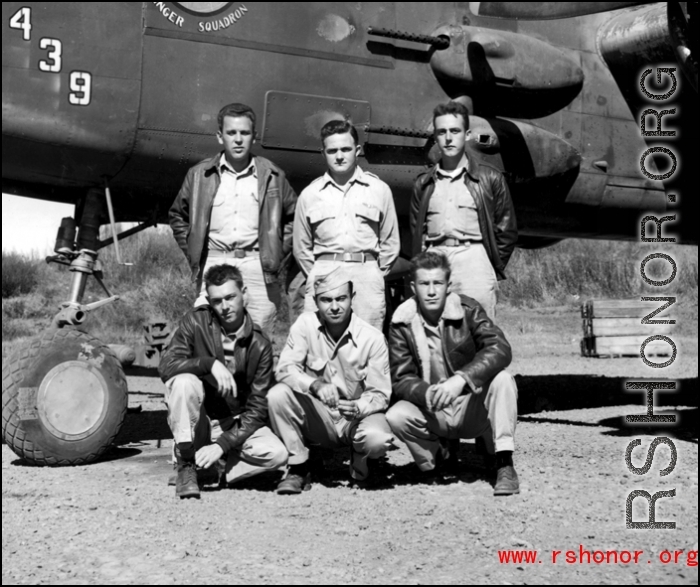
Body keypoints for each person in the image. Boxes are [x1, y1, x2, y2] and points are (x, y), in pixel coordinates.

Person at [385, 251, 520, 495]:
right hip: (434, 410)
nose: (432, 291)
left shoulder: (468, 309)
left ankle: (503, 462)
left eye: (438, 283)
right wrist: (427, 394)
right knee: (396, 415)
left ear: (448, 285)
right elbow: (401, 378)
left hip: (470, 404)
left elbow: (500, 348)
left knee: (503, 380)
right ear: (413, 287)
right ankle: (435, 459)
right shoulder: (401, 323)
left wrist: (461, 380)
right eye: (425, 284)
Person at [159, 264, 287, 499]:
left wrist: (222, 445)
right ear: (209, 300)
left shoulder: (260, 344)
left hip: (235, 423)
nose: (225, 307)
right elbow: (167, 366)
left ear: (244, 293)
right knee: (184, 382)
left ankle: (216, 468)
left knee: (276, 454)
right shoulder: (195, 322)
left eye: (230, 297)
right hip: (202, 420)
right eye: (217, 301)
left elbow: (257, 409)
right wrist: (207, 364)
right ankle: (187, 463)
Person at [169, 102, 297, 333]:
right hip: (214, 263)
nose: (238, 139)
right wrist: (194, 251)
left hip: (259, 269)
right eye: (231, 133)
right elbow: (178, 215)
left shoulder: (273, 175)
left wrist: (277, 252)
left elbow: (294, 218)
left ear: (254, 137)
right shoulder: (199, 175)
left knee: (257, 342)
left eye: (244, 133)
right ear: (220, 137)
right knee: (209, 337)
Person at [267, 267, 396, 494]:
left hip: (355, 420)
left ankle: (362, 462)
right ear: (316, 301)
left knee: (377, 438)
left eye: (341, 299)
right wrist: (314, 385)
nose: (334, 307)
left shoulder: (373, 338)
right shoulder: (304, 325)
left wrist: (358, 407)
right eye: (326, 300)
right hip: (320, 417)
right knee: (277, 395)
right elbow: (285, 369)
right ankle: (299, 466)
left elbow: (381, 394)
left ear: (352, 298)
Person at [410, 101, 517, 318]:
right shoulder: (423, 184)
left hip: (475, 260)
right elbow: (416, 231)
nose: (448, 138)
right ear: (436, 137)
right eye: (442, 132)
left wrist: (488, 266)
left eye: (455, 131)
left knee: (479, 334)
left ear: (467, 134)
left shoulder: (490, 178)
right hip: (434, 259)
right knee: (434, 334)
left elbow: (506, 231)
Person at [293, 119, 400, 330]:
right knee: (321, 346)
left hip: (366, 276)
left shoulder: (379, 190)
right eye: (332, 151)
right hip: (324, 276)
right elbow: (301, 248)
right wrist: (319, 273)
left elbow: (391, 242)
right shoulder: (310, 195)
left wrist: (375, 273)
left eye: (345, 149)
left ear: (357, 150)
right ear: (323, 153)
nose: (339, 156)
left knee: (367, 345)